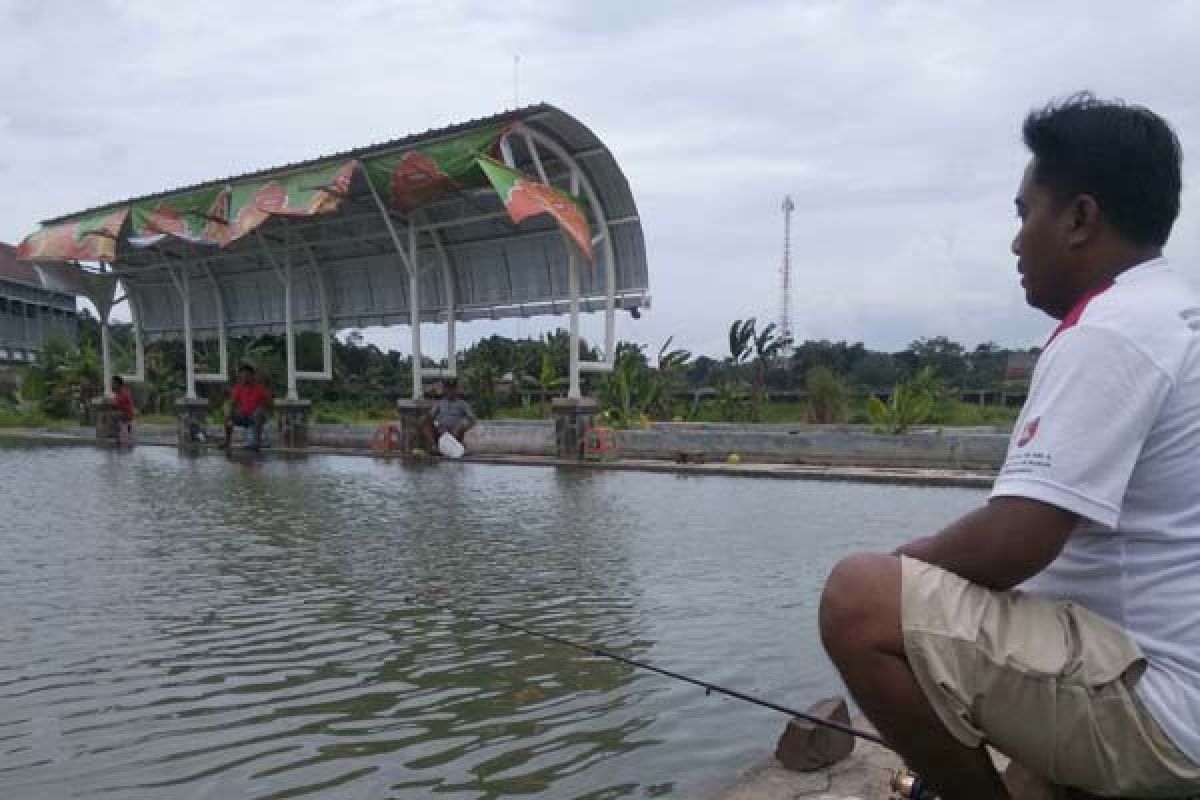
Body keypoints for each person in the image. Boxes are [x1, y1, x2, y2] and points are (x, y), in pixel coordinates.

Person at [819, 93, 1200, 800]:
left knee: (858, 598)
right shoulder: (1171, 316)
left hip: (1162, 711)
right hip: (1169, 683)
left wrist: (899, 571)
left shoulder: (1112, 332)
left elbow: (1014, 543)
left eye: (1026, 214)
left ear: (1081, 219)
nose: (1016, 241)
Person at [419, 377, 476, 454]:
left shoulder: (463, 404)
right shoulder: (440, 403)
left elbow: (472, 419)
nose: (450, 391)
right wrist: (427, 418)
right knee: (424, 421)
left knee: (463, 423)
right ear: (445, 389)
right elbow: (430, 415)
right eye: (448, 388)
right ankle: (434, 446)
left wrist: (464, 423)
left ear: (456, 389)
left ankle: (452, 446)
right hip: (441, 432)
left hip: (455, 434)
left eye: (452, 388)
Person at [223, 364, 272, 450]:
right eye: (243, 375)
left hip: (256, 418)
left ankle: (256, 443)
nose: (245, 378)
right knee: (228, 413)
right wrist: (229, 413)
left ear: (252, 376)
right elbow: (231, 402)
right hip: (243, 417)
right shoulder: (238, 388)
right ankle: (227, 442)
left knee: (258, 412)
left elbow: (270, 403)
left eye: (247, 375)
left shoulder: (260, 388)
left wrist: (262, 410)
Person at [111, 375, 134, 446]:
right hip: (124, 416)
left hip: (126, 417)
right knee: (111, 414)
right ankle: (115, 435)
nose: (112, 385)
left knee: (111, 415)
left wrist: (107, 402)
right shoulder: (118, 394)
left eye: (113, 383)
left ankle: (115, 435)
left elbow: (115, 406)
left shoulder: (123, 394)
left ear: (118, 384)